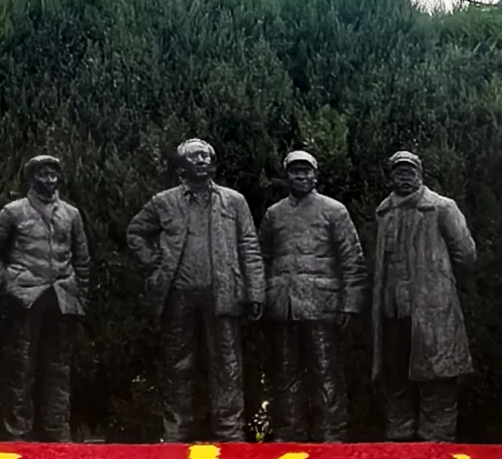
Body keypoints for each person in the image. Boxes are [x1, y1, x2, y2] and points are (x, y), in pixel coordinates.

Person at [126, 138, 264, 442]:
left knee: (227, 364)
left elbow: (249, 246)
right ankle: (177, 431)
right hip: (179, 293)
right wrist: (155, 262)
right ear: (181, 167)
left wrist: (254, 291)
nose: (202, 160)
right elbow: (135, 232)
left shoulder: (234, 201)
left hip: (223, 293)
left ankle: (230, 431)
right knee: (178, 364)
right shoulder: (163, 201)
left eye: (206, 156)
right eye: (194, 157)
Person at [259, 149, 368, 441]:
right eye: (295, 171)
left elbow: (352, 260)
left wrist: (350, 304)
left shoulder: (334, 210)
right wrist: (262, 298)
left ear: (315, 176)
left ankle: (331, 431)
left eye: (306, 171)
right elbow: (262, 259)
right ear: (287, 176)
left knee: (325, 370)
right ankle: (289, 430)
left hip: (323, 305)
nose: (301, 176)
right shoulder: (274, 214)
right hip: (284, 306)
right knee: (285, 371)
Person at [0, 155, 91, 442]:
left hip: (62, 298)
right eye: (43, 174)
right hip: (25, 298)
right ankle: (17, 432)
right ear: (32, 178)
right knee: (20, 366)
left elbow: (82, 259)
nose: (49, 180)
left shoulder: (71, 214)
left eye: (53, 174)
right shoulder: (13, 211)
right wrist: (6, 285)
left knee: (58, 367)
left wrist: (80, 295)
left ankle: (57, 430)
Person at [372, 149, 476, 442]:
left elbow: (466, 254)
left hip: (431, 309)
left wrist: (438, 282)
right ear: (391, 177)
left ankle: (436, 443)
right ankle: (399, 440)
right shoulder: (384, 212)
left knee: (437, 379)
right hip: (392, 311)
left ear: (420, 174)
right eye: (399, 172)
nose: (404, 177)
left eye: (410, 171)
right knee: (396, 379)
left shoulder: (442, 208)